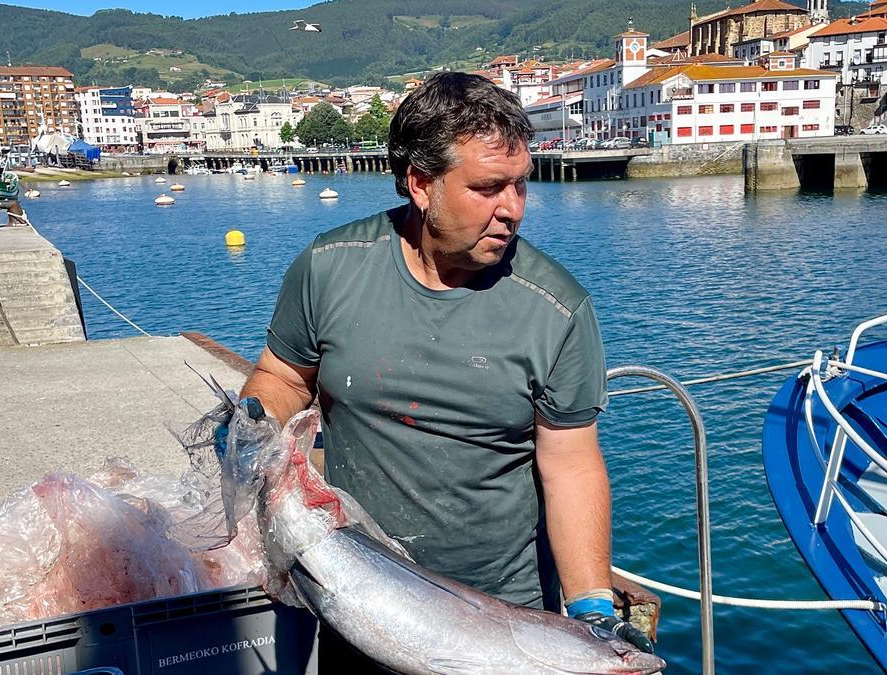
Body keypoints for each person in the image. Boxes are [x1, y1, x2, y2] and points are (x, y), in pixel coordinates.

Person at [238, 71, 653, 661]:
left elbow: (572, 466)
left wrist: (592, 612)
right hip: (358, 589)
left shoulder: (557, 308)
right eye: (488, 188)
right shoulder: (329, 269)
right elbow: (283, 377)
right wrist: (252, 425)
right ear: (421, 184)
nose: (513, 210)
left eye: (520, 186)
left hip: (500, 622)